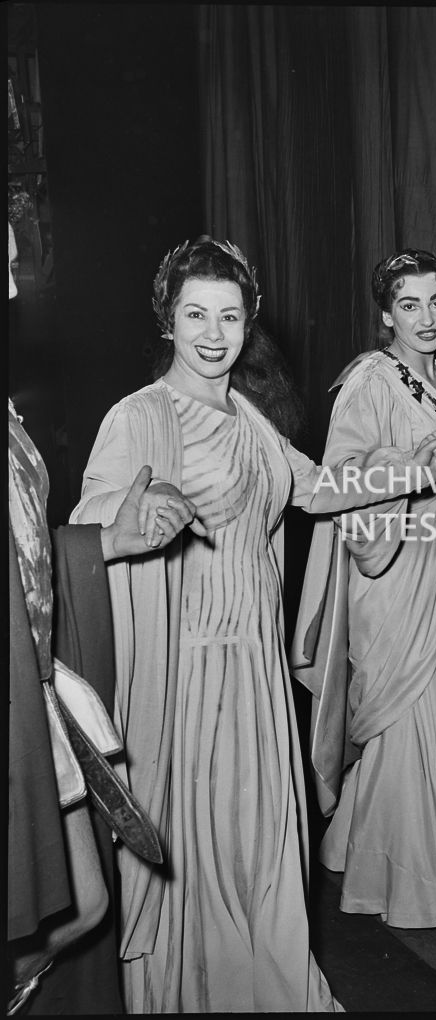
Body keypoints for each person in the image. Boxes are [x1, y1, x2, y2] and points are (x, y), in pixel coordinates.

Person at [69, 237, 436, 1011]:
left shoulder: (246, 415)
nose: (214, 334)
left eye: (230, 316)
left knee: (264, 843)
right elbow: (89, 519)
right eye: (196, 315)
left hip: (256, 668)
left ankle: (263, 989)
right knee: (200, 849)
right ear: (168, 321)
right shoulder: (140, 416)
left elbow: (317, 488)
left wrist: (414, 469)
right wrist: (133, 512)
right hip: (189, 678)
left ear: (250, 323)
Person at [8, 226, 197, 1014]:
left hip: (32, 691)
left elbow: (23, 556)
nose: (13, 287)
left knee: (82, 900)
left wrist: (106, 542)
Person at [291, 249, 436, 940]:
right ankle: (426, 885)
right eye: (409, 305)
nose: (426, 318)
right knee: (409, 717)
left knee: (422, 717)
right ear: (386, 315)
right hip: (390, 569)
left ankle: (359, 847)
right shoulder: (370, 381)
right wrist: (410, 469)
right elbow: (335, 482)